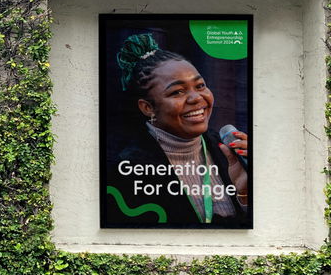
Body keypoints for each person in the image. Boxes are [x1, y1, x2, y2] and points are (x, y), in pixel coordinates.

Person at [105, 33, 249, 227]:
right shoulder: (128, 169)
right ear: (148, 107)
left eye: (200, 86)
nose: (196, 98)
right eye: (177, 92)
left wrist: (245, 195)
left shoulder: (226, 151)